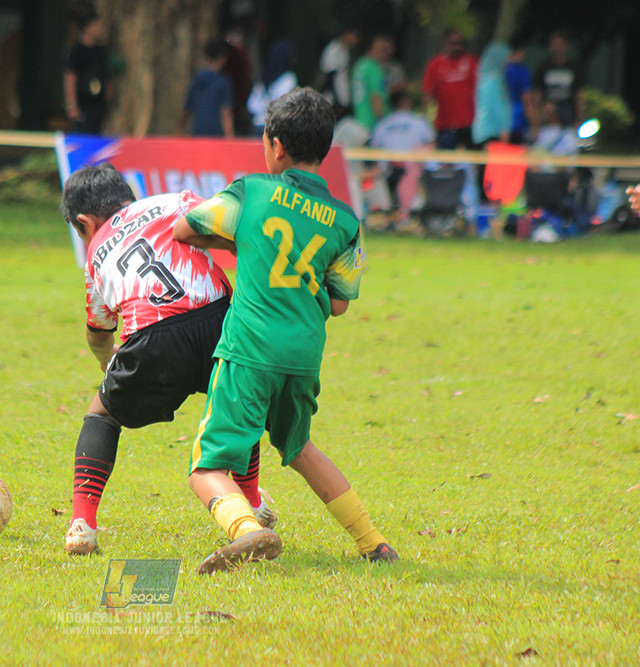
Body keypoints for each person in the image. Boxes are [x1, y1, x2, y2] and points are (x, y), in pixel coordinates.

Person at [174, 87, 397, 574]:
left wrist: (241, 241)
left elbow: (185, 230)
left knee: (207, 466)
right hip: (303, 352)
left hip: (250, 347)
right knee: (298, 447)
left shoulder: (251, 191)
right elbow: (338, 303)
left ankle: (248, 531)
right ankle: (373, 542)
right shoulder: (346, 220)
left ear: (275, 145)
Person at [60, 165, 277, 555]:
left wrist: (108, 363)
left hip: (151, 339)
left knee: (102, 415)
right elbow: (221, 226)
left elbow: (98, 330)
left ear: (84, 222)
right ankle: (251, 502)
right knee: (241, 406)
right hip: (218, 318)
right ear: (128, 198)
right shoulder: (173, 201)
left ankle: (82, 524)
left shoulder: (95, 254)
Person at [371, 90, 435, 221]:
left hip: (386, 171)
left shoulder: (382, 124)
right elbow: (432, 144)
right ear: (407, 103)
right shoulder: (419, 121)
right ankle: (408, 214)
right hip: (412, 171)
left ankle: (388, 214)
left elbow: (373, 148)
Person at [421, 29, 478, 149]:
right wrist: (427, 120)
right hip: (445, 124)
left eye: (460, 43)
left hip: (470, 122)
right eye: (453, 43)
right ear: (445, 43)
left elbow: (479, 90)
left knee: (473, 159)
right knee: (446, 160)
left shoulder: (471, 62)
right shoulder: (435, 65)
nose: (457, 47)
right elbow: (428, 94)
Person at [64, 8, 110, 134]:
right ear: (88, 27)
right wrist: (72, 106)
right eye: (97, 25)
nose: (100, 29)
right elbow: (70, 78)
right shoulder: (77, 51)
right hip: (83, 107)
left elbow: (106, 77)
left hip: (98, 107)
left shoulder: (100, 51)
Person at [182, 40, 235, 138]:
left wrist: (181, 132)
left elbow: (186, 110)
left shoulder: (196, 79)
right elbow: (226, 112)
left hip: (197, 132)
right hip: (217, 134)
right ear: (222, 58)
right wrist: (230, 137)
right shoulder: (223, 82)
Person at [533, 30, 584, 131]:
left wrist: (579, 117)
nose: (557, 48)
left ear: (566, 46)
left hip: (567, 109)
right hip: (548, 110)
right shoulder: (544, 68)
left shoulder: (573, 68)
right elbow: (538, 93)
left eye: (560, 44)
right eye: (554, 44)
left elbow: (578, 93)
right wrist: (536, 118)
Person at [247, 40, 298, 136]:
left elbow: (251, 105)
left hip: (257, 125)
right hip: (275, 128)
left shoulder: (263, 79)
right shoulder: (288, 79)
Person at [472, 42, 512, 148]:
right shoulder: (493, 80)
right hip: (491, 132)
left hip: (482, 132)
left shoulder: (483, 78)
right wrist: (503, 129)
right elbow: (497, 107)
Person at [351, 33, 392, 131]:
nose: (385, 53)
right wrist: (383, 122)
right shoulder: (374, 68)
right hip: (372, 123)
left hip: (359, 119)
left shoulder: (360, 65)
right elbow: (375, 96)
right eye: (381, 50)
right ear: (370, 50)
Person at [318, 24, 360, 120]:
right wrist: (337, 102)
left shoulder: (344, 50)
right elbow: (330, 76)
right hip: (333, 100)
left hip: (341, 100)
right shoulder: (334, 50)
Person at [505, 40, 534, 145]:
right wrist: (533, 123)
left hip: (500, 121)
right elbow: (526, 97)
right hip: (517, 120)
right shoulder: (521, 71)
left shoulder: (499, 71)